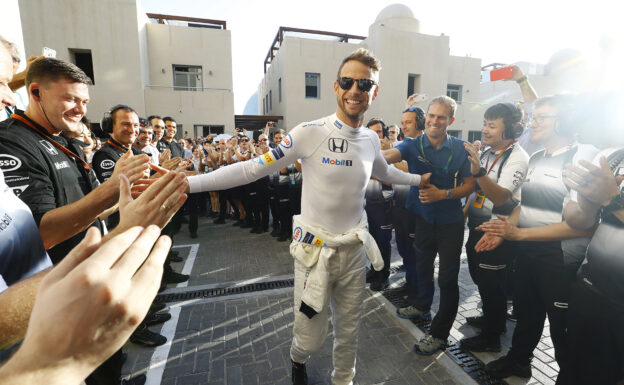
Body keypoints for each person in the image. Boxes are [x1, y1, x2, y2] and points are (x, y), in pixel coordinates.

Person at [178, 48, 430, 385]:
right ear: (336, 87)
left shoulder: (371, 138)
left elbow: (385, 172)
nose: (355, 89)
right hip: (314, 254)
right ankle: (298, 359)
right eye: (347, 81)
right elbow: (252, 169)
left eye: (364, 84)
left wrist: (418, 180)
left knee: (349, 330)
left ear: (374, 91)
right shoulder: (309, 132)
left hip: (353, 251)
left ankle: (344, 379)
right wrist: (187, 184)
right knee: (310, 334)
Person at [476, 95, 598, 382]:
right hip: (528, 252)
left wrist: (518, 233)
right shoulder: (537, 157)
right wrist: (504, 230)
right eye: (535, 116)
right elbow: (525, 206)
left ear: (564, 121)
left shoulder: (583, 155)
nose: (534, 122)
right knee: (527, 313)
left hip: (559, 258)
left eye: (542, 117)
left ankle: (570, 376)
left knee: (562, 328)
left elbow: (581, 225)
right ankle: (519, 361)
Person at [383, 95, 475, 355]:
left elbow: (471, 185)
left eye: (441, 117)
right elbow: (388, 156)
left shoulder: (461, 148)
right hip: (422, 219)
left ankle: (439, 333)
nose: (435, 121)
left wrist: (442, 194)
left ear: (451, 120)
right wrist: (363, 152)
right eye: (431, 116)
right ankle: (422, 305)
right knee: (422, 268)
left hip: (450, 224)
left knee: (447, 279)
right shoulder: (412, 145)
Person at [460, 103, 529, 353]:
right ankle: (494, 319)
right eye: (484, 124)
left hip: (497, 232)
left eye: (491, 125)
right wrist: (464, 214)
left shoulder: (517, 157)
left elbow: (500, 197)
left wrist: (478, 171)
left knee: (493, 285)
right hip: (477, 227)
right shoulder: (488, 152)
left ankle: (491, 338)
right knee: (482, 280)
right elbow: (477, 190)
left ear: (510, 129)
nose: (484, 130)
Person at [562, 147, 624, 385]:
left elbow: (612, 202)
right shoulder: (614, 158)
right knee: (572, 371)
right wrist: (588, 203)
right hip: (589, 291)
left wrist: (612, 200)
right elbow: (579, 221)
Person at [364, 118, 394, 291]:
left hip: (384, 204)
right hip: (368, 203)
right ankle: (375, 270)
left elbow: (390, 178)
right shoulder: (365, 150)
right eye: (372, 131)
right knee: (371, 240)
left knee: (383, 241)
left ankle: (384, 276)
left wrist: (369, 171)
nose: (376, 135)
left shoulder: (390, 151)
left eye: (379, 131)